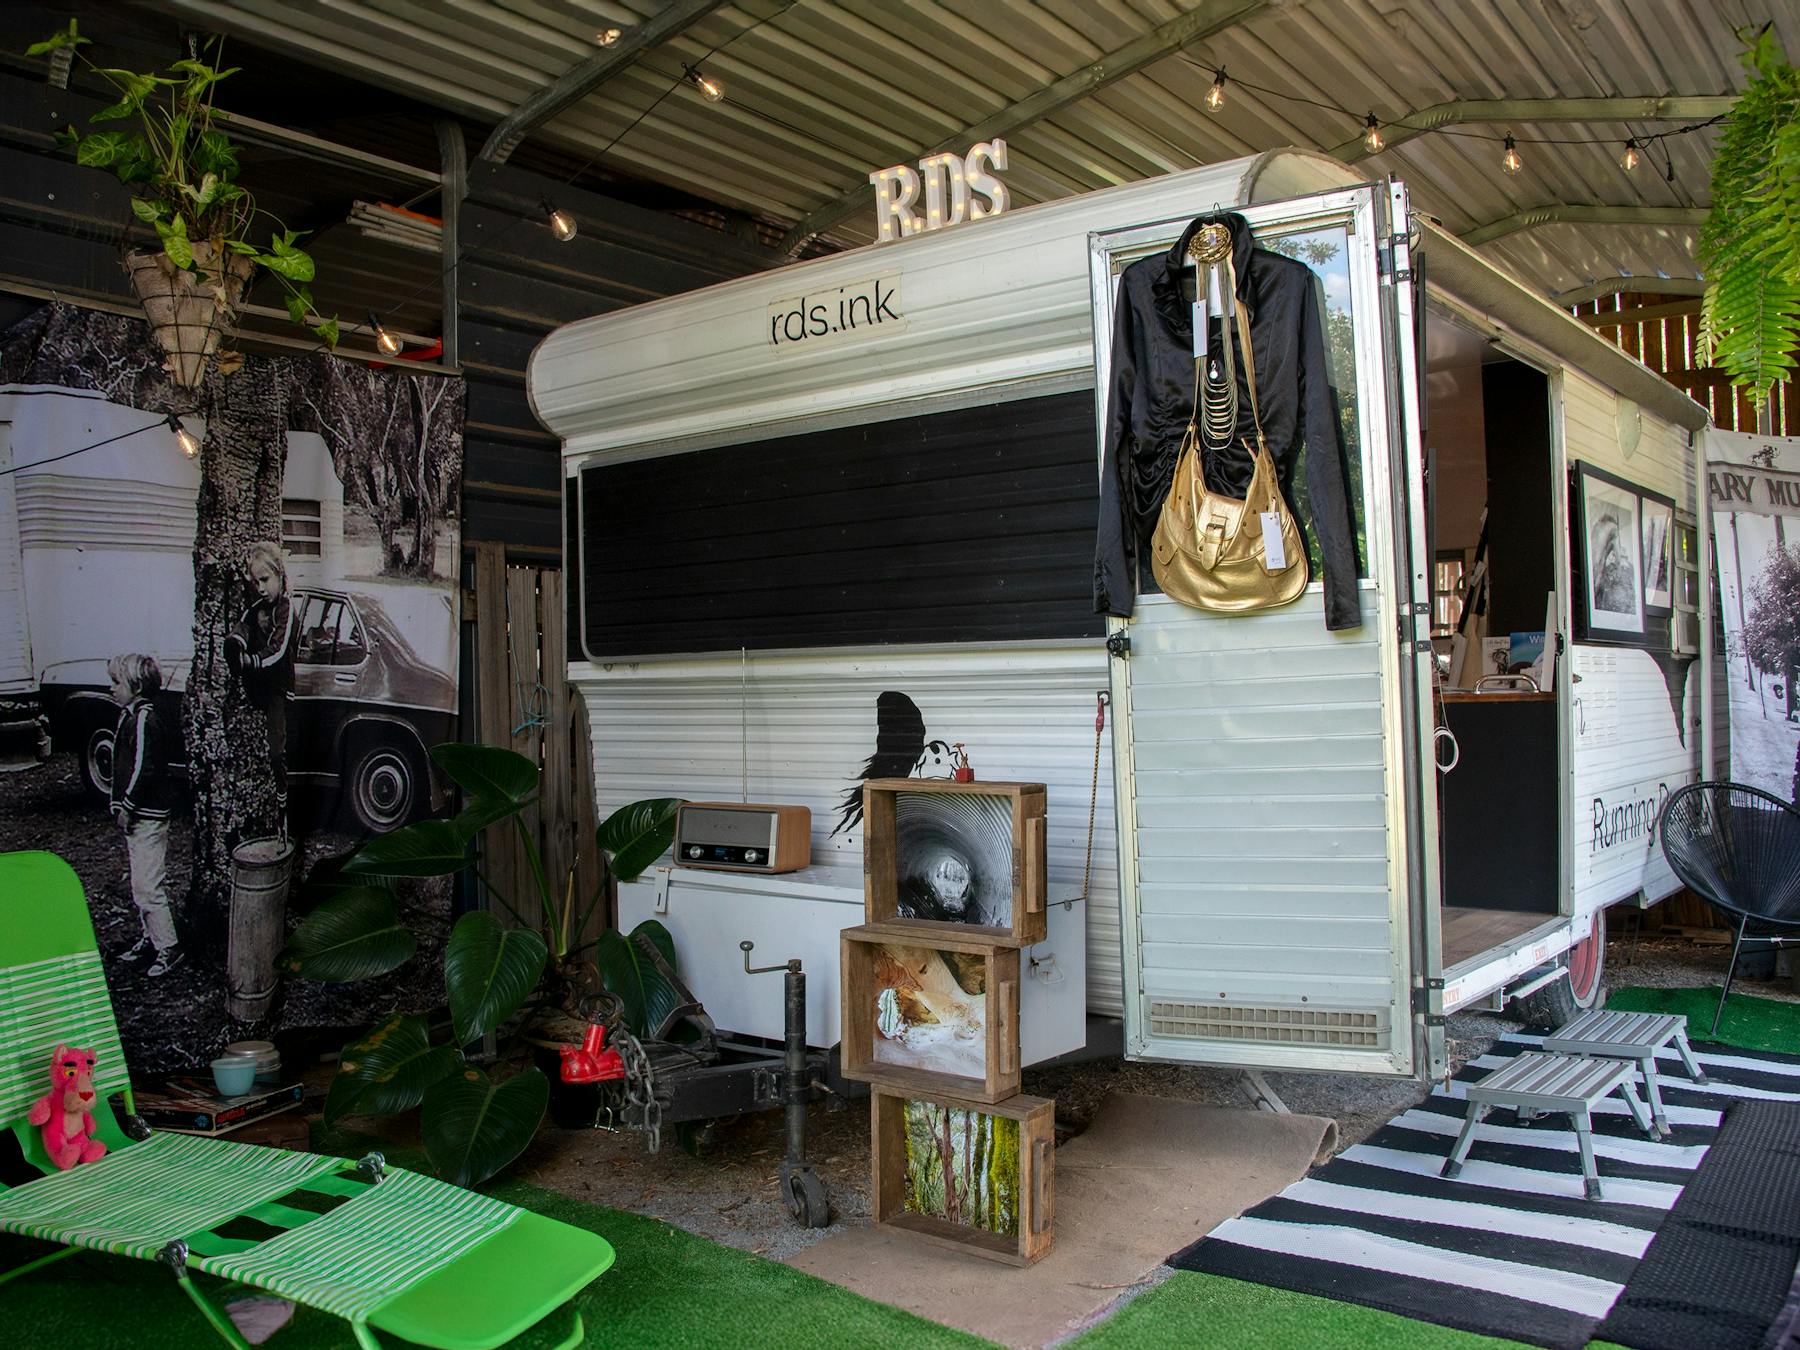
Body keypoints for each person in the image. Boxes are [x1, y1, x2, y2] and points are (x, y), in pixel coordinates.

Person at [108, 653, 181, 977]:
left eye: (116, 682)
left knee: (148, 885)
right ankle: (150, 937)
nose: (111, 689)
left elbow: (143, 768)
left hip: (148, 816)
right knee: (141, 883)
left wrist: (128, 805)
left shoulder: (144, 719)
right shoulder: (129, 715)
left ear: (136, 687)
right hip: (139, 815)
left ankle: (169, 947)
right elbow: (120, 765)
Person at [225, 541, 297, 842]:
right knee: (245, 626)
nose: (261, 588)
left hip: (278, 687)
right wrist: (236, 645)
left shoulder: (286, 609)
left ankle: (282, 801)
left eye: (265, 580)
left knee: (276, 751)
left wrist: (251, 661)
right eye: (255, 582)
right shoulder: (256, 609)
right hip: (257, 685)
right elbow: (244, 625)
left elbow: (278, 650)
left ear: (279, 574)